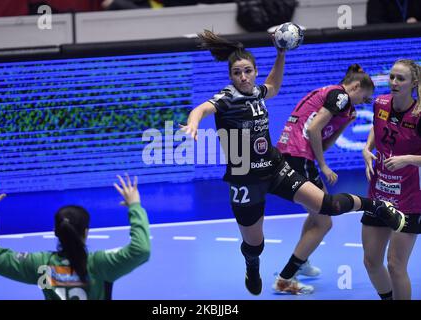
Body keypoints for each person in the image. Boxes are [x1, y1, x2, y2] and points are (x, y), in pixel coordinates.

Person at [180, 29, 405, 296]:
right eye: (238, 73)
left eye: (248, 71)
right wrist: (193, 124)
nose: (243, 77)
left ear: (254, 71)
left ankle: (376, 206)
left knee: (327, 206)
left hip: (275, 167)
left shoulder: (257, 92)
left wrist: (281, 53)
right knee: (255, 245)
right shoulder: (227, 97)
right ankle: (252, 265)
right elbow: (202, 109)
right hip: (245, 178)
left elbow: (273, 86)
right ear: (230, 76)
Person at [273, 64, 374, 288]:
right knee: (325, 221)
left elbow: (322, 140)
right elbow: (313, 130)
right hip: (299, 157)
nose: (362, 103)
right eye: (364, 98)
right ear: (356, 86)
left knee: (316, 214)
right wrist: (323, 166)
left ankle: (301, 262)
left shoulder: (331, 95)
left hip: (292, 154)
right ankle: (286, 278)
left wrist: (344, 123)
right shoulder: (341, 96)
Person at [0, 174, 150, 300]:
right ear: (86, 232)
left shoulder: (42, 265)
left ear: (55, 232)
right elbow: (141, 249)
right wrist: (134, 206)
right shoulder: (100, 265)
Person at [361, 59, 421, 300]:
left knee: (396, 266)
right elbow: (377, 127)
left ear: (414, 83)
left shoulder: (419, 115)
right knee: (371, 261)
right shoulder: (380, 103)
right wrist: (367, 149)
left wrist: (408, 159)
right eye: (392, 77)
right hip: (378, 193)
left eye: (401, 79)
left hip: (408, 200)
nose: (394, 83)